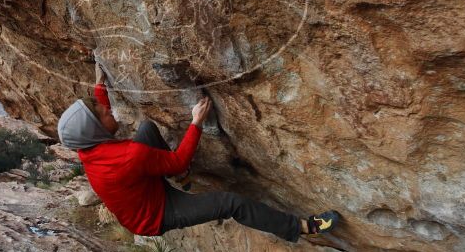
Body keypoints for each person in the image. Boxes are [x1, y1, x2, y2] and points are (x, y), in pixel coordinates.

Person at [57, 68, 339, 241]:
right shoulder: (128, 157)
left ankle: (178, 177)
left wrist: (99, 86)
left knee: (146, 129)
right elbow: (178, 157)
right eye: (102, 113)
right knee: (231, 203)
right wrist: (196, 123)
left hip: (144, 191)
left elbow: (101, 118)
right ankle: (301, 227)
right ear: (95, 131)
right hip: (156, 214)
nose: (107, 109)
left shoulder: (88, 148)